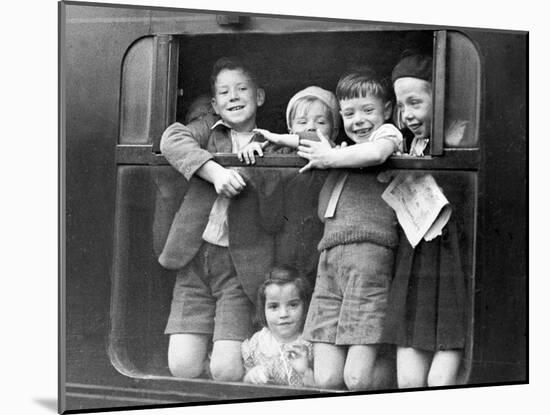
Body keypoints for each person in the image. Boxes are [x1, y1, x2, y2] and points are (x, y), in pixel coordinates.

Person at [256, 68, 403, 390]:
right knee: (326, 378)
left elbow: (376, 153)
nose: (359, 120)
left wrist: (330, 156)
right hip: (329, 260)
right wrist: (276, 138)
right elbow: (309, 141)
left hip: (368, 257)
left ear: (388, 111)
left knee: (357, 379)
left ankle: (392, 377)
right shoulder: (340, 146)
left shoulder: (387, 135)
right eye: (349, 113)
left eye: (368, 110)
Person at [158, 56, 284, 382]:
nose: (234, 97)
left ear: (259, 96)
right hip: (194, 260)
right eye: (225, 92)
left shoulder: (272, 143)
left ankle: (225, 361)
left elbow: (274, 220)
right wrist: (214, 172)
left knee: (226, 372)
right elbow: (171, 138)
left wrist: (257, 174)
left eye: (242, 89)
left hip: (239, 269)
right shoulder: (208, 131)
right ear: (215, 103)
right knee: (182, 368)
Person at [382, 52, 467, 388]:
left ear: (442, 97)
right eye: (402, 107)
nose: (408, 115)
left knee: (439, 381)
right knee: (409, 382)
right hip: (417, 258)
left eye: (415, 102)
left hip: (451, 259)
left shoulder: (462, 136)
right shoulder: (413, 143)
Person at [239, 86, 341, 284]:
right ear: (290, 130)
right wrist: (254, 150)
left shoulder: (337, 154)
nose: (311, 128)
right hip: (282, 249)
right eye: (302, 122)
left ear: (335, 130)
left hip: (320, 249)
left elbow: (316, 142)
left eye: (321, 122)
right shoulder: (279, 155)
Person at [241, 266, 314, 387]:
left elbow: (321, 388)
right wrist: (251, 376)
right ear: (263, 309)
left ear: (305, 306)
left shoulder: (310, 344)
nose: (283, 314)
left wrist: (304, 371)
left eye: (293, 305)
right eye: (274, 306)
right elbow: (244, 383)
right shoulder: (257, 344)